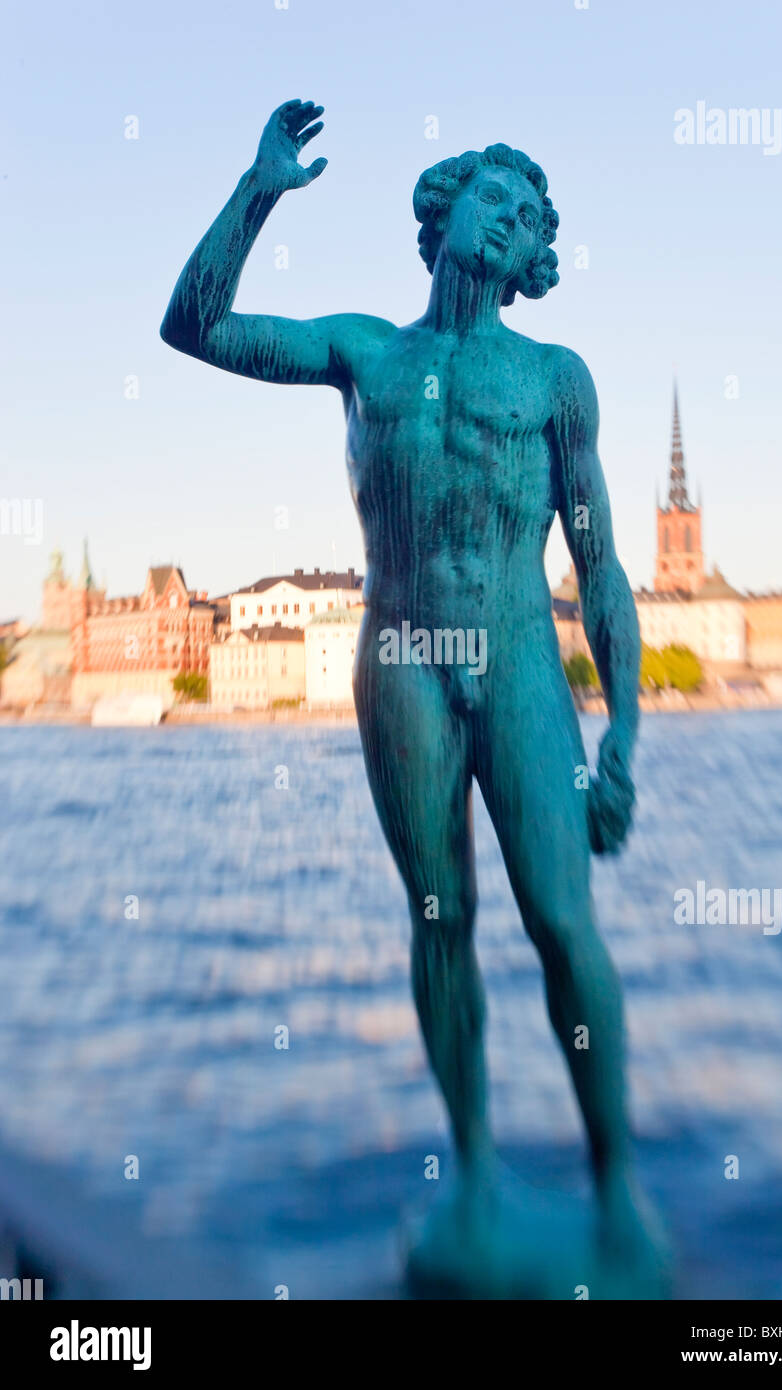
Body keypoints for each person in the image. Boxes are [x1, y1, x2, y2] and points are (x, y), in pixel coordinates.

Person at [161, 99, 658, 1286]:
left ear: (533, 253)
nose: (508, 217)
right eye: (491, 195)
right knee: (440, 924)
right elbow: (195, 324)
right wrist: (259, 185)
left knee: (559, 923)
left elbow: (597, 568)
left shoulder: (552, 378)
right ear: (442, 218)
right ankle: (476, 1171)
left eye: (527, 211)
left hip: (523, 666)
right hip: (399, 672)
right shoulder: (365, 355)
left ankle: (613, 1185)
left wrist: (625, 733)